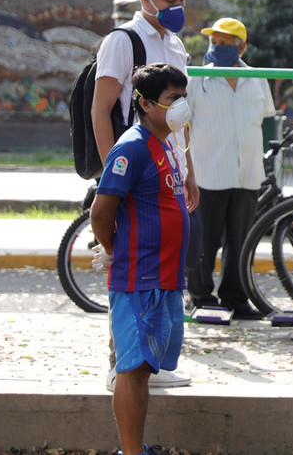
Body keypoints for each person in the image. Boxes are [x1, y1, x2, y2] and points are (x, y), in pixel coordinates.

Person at [95, 0, 196, 391]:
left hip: (169, 167)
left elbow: (183, 115)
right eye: (169, 0)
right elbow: (101, 109)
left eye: (182, 0)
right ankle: (124, 366)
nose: (177, 8)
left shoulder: (175, 44)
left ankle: (151, 365)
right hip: (133, 170)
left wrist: (188, 168)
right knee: (129, 269)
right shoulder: (122, 41)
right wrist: (112, 176)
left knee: (163, 270)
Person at [89, 63, 191, 455]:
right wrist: (113, 251)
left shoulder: (164, 142)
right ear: (146, 104)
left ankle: (137, 448)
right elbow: (102, 211)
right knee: (131, 369)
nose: (181, 106)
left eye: (183, 97)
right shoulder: (131, 146)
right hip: (139, 278)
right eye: (172, 99)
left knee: (145, 368)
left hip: (164, 278)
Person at [184, 17, 276, 319]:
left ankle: (236, 299)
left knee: (241, 241)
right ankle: (199, 295)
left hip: (247, 173)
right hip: (209, 173)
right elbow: (183, 124)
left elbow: (265, 118)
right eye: (215, 42)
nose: (218, 47)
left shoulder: (256, 78)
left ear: (242, 46)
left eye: (226, 42)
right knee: (204, 239)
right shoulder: (197, 78)